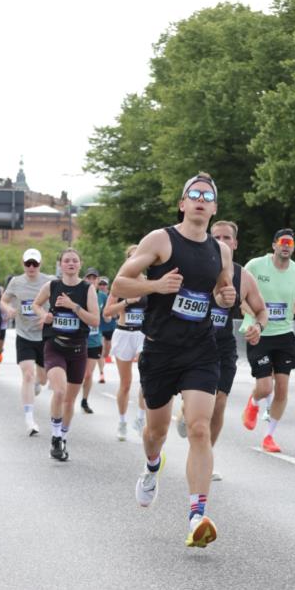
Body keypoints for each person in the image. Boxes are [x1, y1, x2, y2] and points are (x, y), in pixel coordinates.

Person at [112, 173, 235, 548]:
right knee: (157, 433)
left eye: (207, 196)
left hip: (200, 349)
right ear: (183, 203)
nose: (200, 200)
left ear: (213, 208)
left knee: (199, 427)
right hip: (161, 349)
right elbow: (119, 284)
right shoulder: (161, 240)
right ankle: (152, 467)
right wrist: (154, 286)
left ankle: (197, 514)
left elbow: (221, 289)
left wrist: (226, 296)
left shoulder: (221, 251)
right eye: (193, 194)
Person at [178, 221, 268, 477]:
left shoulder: (243, 277)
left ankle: (204, 457)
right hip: (192, 343)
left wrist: (258, 327)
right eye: (215, 236)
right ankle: (186, 409)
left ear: (235, 244)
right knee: (196, 405)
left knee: (219, 403)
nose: (221, 241)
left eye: (227, 237)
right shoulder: (193, 268)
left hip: (222, 346)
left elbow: (261, 311)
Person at [240, 229, 295, 453]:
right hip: (260, 333)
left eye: (290, 243)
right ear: (274, 245)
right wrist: (255, 316)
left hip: (284, 336)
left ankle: (269, 437)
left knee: (282, 390)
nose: (286, 246)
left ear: (293, 248)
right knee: (264, 388)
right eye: (282, 242)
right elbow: (241, 297)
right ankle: (253, 404)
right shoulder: (255, 266)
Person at [32, 249, 100, 462]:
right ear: (60, 265)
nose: (71, 263)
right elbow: (35, 304)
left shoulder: (87, 289)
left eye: (75, 261)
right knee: (59, 391)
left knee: (70, 401)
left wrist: (73, 306)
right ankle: (54, 438)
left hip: (78, 349)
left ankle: (63, 437)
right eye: (67, 260)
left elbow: (95, 320)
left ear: (79, 265)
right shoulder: (52, 286)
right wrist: (45, 315)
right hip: (55, 346)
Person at [1, 249, 52, 436]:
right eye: (28, 263)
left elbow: (60, 301)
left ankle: (39, 383)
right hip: (24, 335)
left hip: (44, 335)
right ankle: (30, 419)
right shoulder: (16, 282)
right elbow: (4, 300)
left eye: (35, 264)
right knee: (28, 375)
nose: (31, 267)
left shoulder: (49, 281)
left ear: (40, 264)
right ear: (23, 264)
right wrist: (9, 309)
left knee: (44, 378)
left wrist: (47, 316)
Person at [103, 245, 148, 440]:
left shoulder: (150, 283)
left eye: (139, 257)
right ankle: (122, 421)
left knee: (146, 380)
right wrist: (128, 302)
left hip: (143, 335)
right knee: (126, 383)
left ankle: (140, 418)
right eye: (131, 257)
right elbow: (107, 312)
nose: (135, 261)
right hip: (123, 333)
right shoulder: (120, 284)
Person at [98, 276, 116, 379]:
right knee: (101, 347)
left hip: (110, 326)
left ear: (107, 286)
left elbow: (115, 312)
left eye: (104, 284)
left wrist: (112, 314)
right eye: (100, 284)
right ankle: (101, 372)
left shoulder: (111, 296)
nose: (102, 286)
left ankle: (103, 360)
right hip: (99, 327)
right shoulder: (96, 296)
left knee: (107, 349)